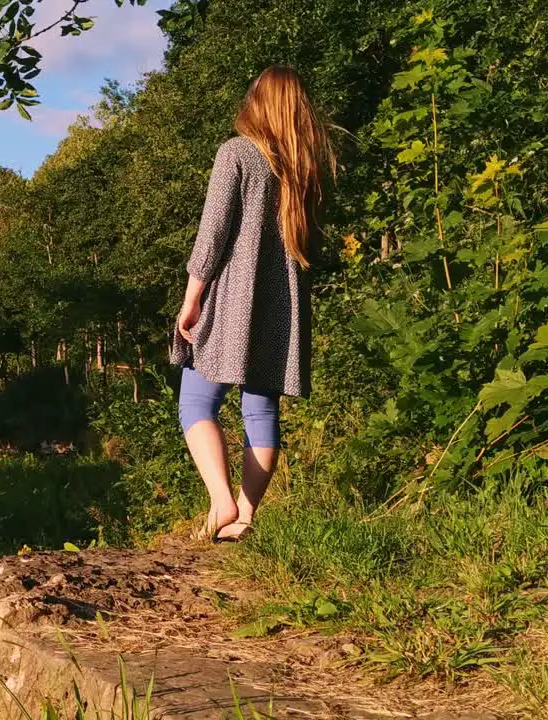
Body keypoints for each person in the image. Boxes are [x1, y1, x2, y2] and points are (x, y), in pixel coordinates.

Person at [170, 65, 335, 543]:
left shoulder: (237, 153)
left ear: (257, 102)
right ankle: (243, 517)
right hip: (282, 303)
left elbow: (213, 233)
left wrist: (192, 298)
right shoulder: (303, 170)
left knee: (196, 401)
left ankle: (221, 499)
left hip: (232, 298)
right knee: (260, 410)